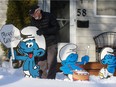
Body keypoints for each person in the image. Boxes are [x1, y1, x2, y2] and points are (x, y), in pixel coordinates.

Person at [29, 5, 60, 79]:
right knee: (41, 62)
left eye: (34, 14)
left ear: (38, 11)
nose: (33, 16)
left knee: (51, 62)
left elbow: (56, 28)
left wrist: (44, 31)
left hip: (51, 42)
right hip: (41, 44)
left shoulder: (49, 16)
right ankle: (43, 79)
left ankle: (51, 79)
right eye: (32, 15)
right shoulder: (33, 20)